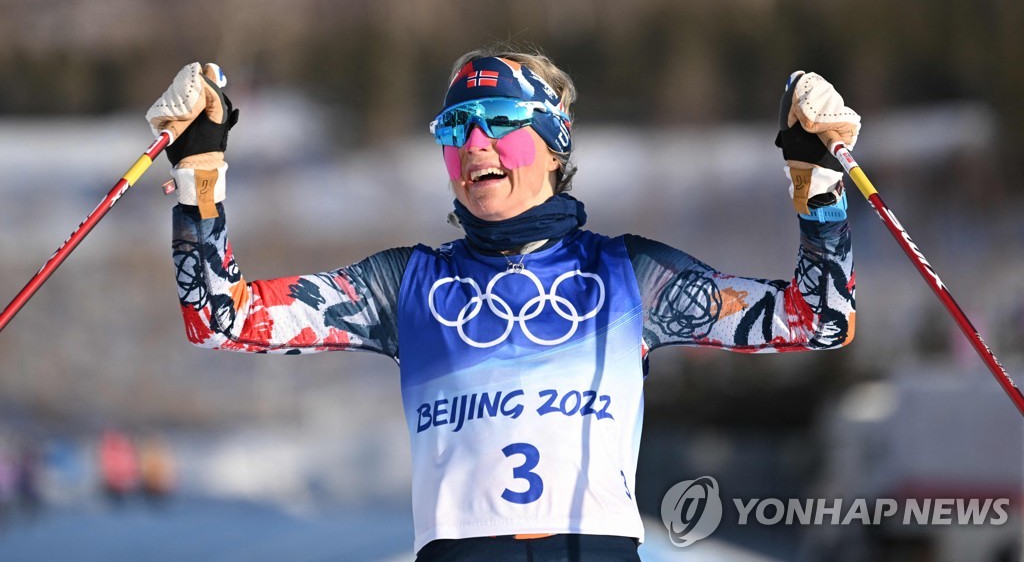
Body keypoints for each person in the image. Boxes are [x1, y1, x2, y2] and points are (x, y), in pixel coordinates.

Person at [146, 45, 859, 561]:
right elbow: (221, 317)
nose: (475, 143)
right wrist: (198, 168)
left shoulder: (627, 275)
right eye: (455, 128)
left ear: (554, 143)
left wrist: (818, 176)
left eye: (498, 121)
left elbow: (818, 319)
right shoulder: (406, 286)